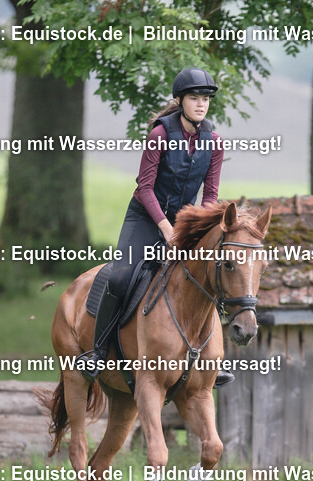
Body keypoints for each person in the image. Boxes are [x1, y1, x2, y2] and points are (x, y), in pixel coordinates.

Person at [77, 67, 234, 388]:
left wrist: (198, 228)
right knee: (121, 277)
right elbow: (144, 188)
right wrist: (164, 227)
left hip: (185, 223)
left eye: (205, 99)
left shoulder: (214, 142)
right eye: (194, 98)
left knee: (208, 276)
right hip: (146, 219)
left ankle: (211, 360)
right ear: (180, 101)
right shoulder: (160, 135)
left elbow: (212, 195)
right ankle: (97, 351)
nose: (201, 104)